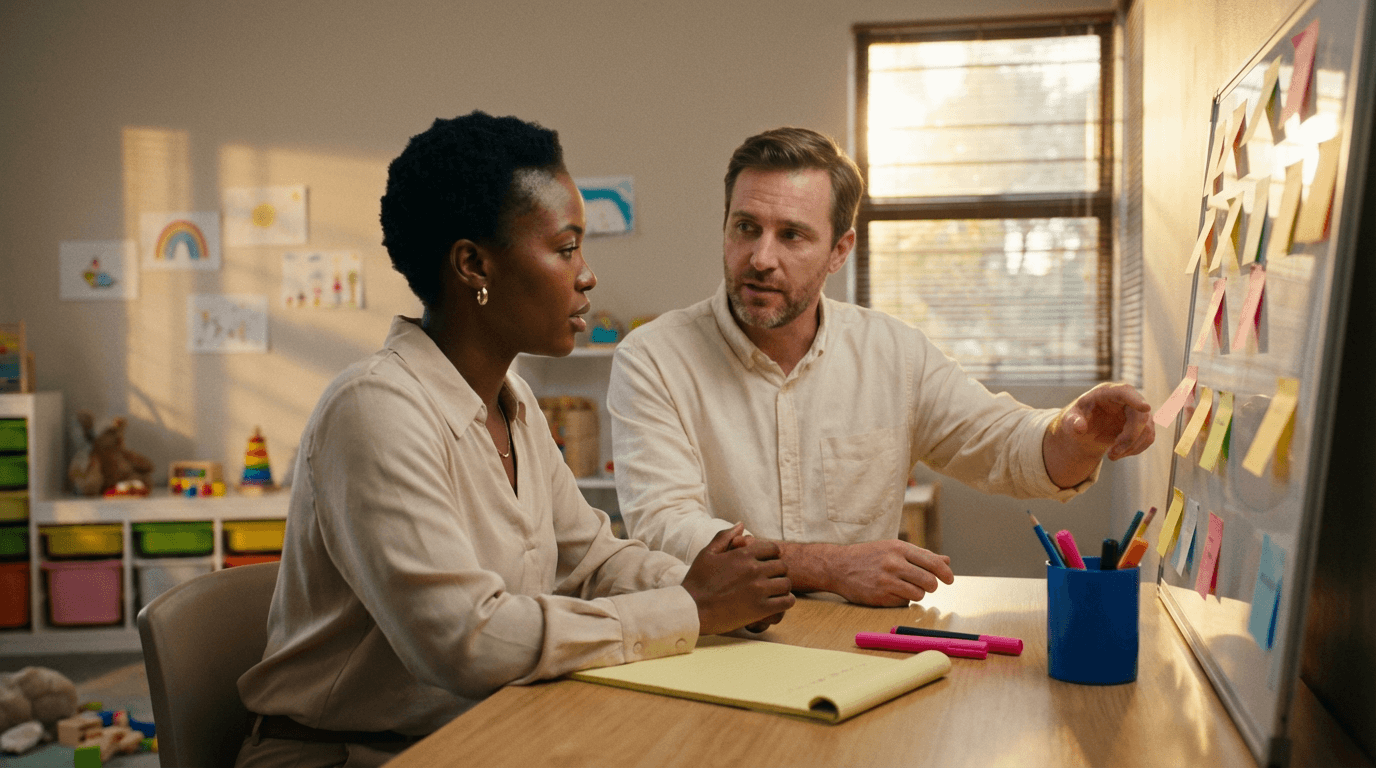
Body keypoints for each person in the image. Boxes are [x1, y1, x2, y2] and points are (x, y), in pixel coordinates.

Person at [234, 112, 794, 768]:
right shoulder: (373, 411)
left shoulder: (513, 399)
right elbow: (464, 643)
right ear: (473, 264)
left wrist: (715, 589)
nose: (586, 276)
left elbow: (589, 563)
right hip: (350, 755)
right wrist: (691, 607)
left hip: (480, 731)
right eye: (565, 249)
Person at [608, 126, 1155, 608]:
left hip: (856, 649)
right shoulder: (654, 356)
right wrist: (830, 567)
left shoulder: (893, 353)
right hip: (719, 643)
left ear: (840, 250)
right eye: (745, 228)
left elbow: (1004, 446)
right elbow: (665, 530)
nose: (761, 258)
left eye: (792, 235)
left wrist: (1076, 434)